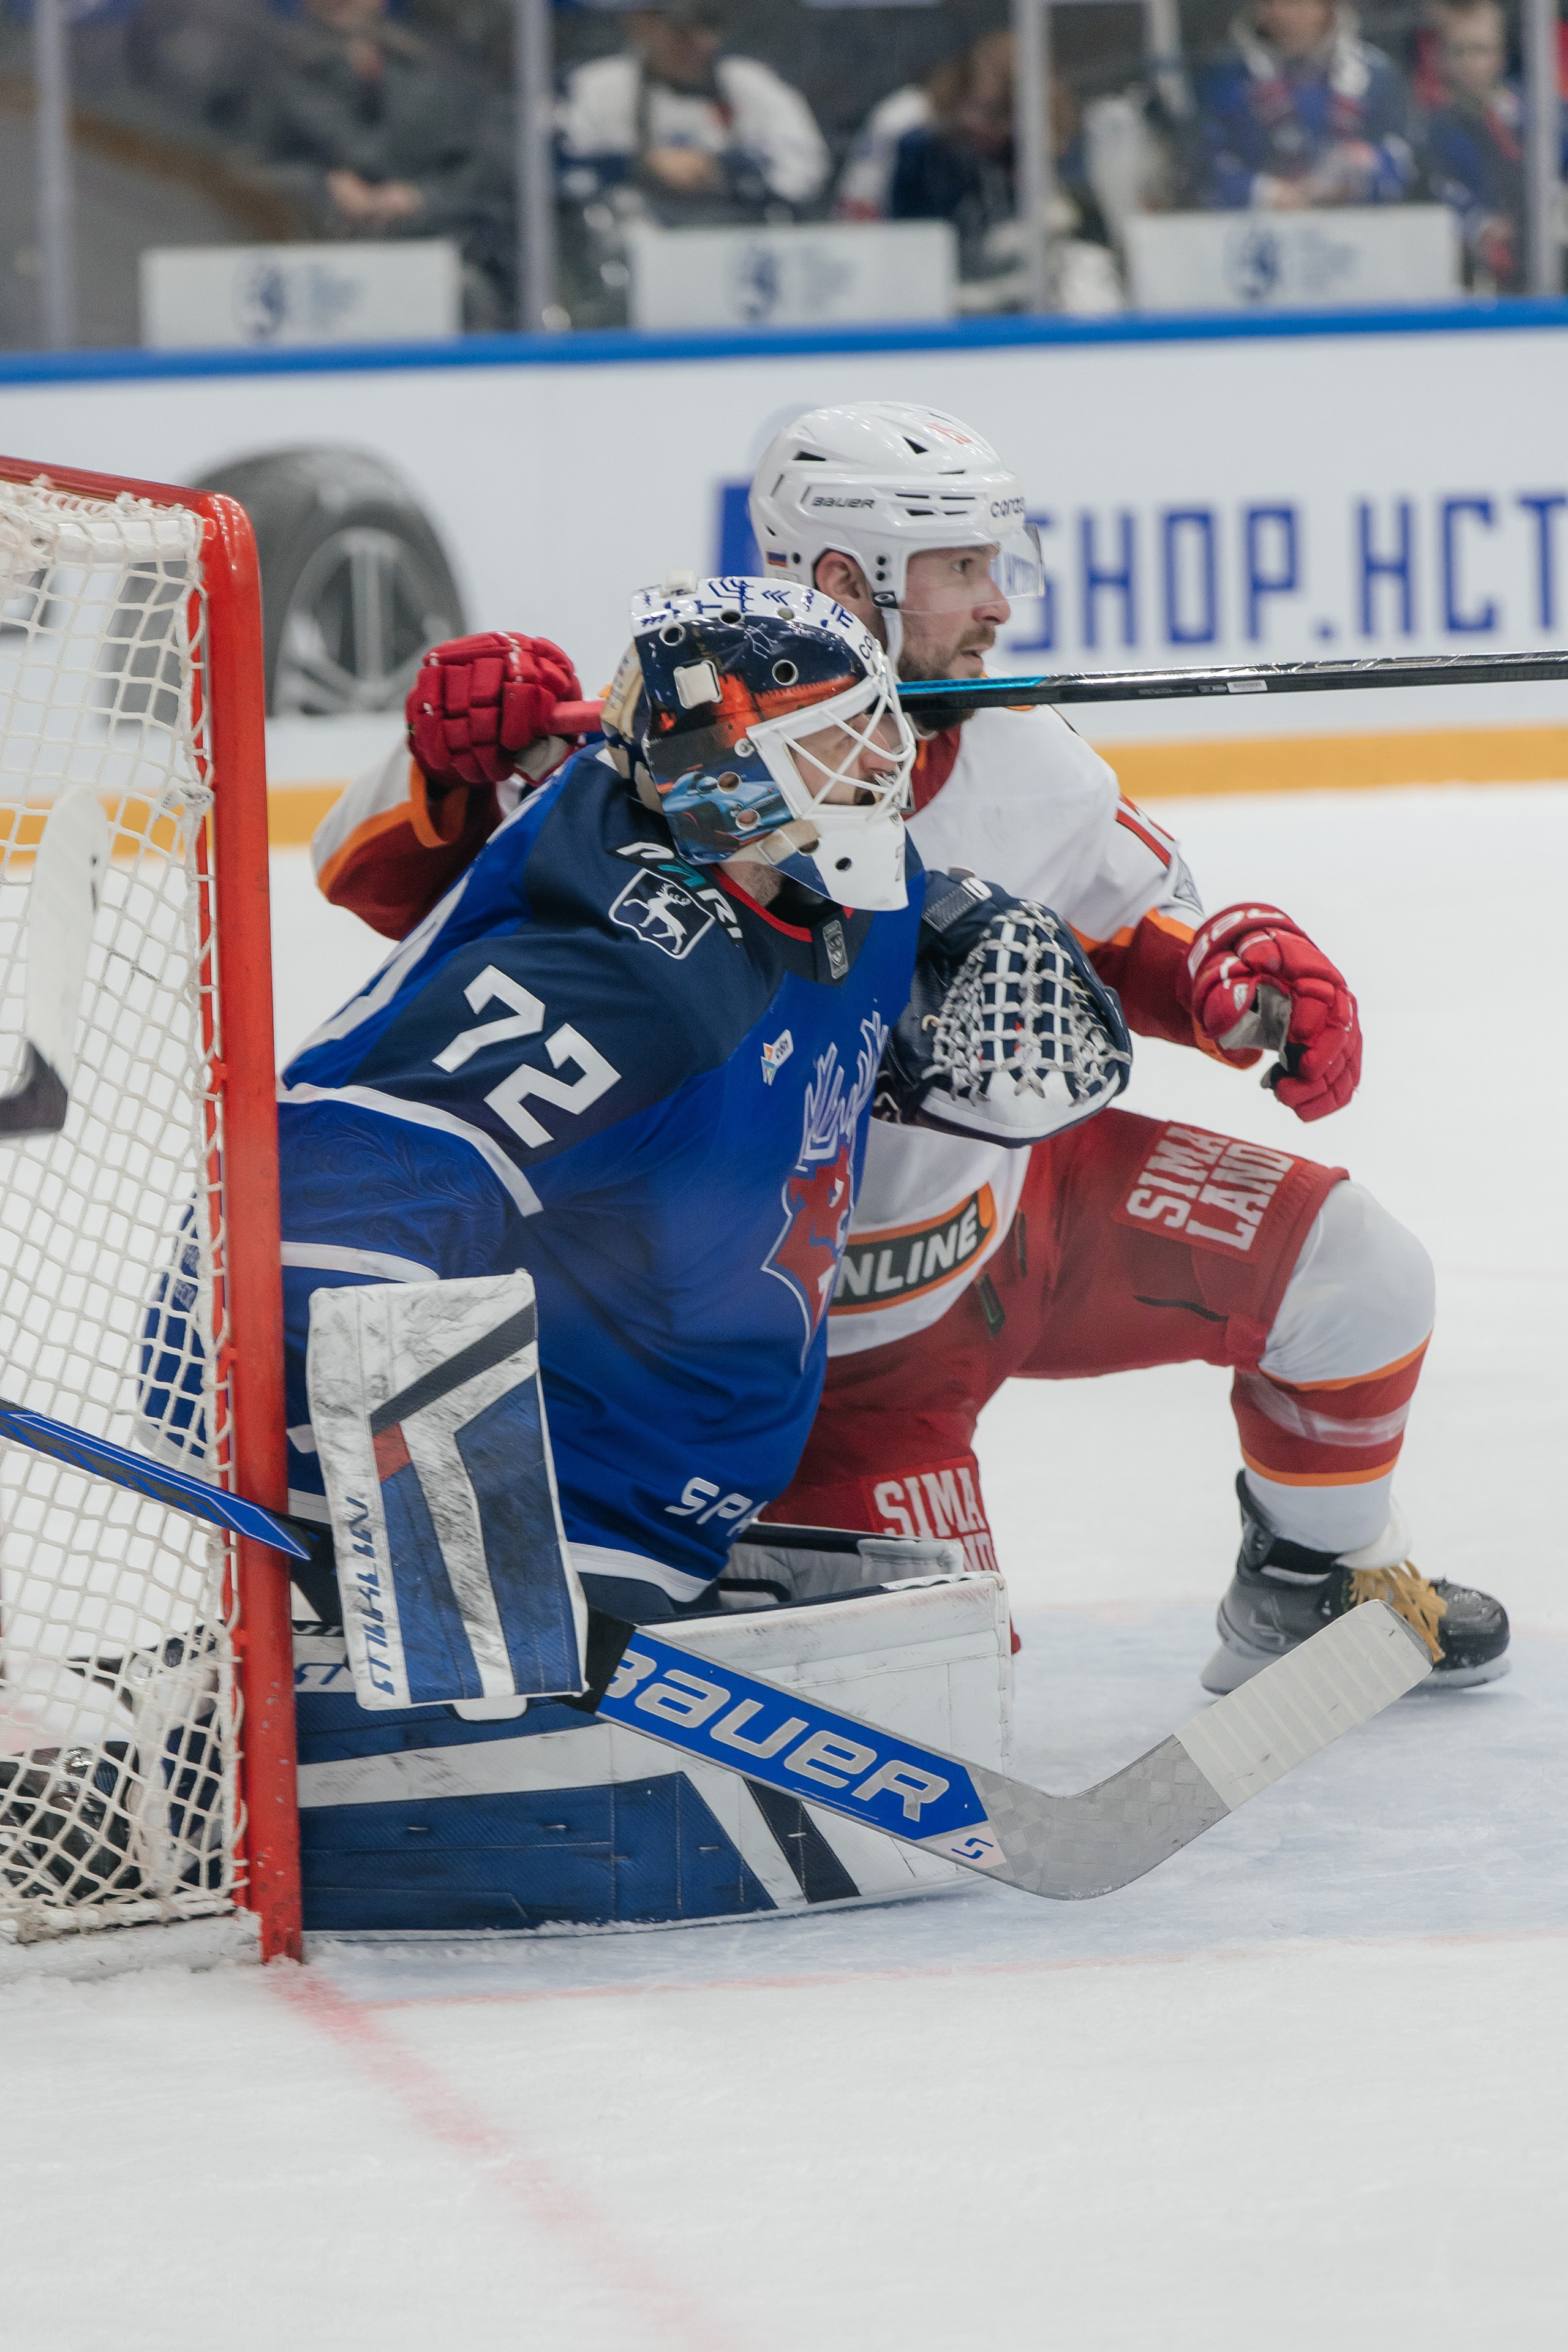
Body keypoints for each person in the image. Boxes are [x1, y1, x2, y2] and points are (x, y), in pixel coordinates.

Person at [314, 405, 1510, 1693]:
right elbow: (400, 895)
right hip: (814, 1345)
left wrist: (1233, 984)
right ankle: (647, 1582)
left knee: (1357, 1273)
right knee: (932, 1704)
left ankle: (1315, 1582)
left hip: (1018, 1223)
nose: (997, 605)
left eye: (997, 562)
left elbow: (1122, 943)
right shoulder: (669, 760)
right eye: (959, 570)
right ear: (843, 582)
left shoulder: (1028, 762)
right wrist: (448, 764)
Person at [277, 578, 1128, 1624]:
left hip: (667, 1520)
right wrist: (469, 1576)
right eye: (838, 738)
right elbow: (316, 1225)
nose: (883, 766)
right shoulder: (619, 989)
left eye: (879, 726)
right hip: (552, 1528)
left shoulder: (853, 881)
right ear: (733, 771)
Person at [249, 0, 513, 322]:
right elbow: (232, 170)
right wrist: (323, 189)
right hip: (311, 273)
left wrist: (421, 197)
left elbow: (492, 163)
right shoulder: (263, 68)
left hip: (444, 262)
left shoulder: (440, 60)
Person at [835, 28, 1122, 314]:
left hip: (1029, 300)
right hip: (943, 299)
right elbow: (906, 241)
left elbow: (1084, 230)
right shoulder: (918, 144)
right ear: (963, 95)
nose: (993, 130)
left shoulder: (1043, 143)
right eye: (987, 112)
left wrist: (1043, 159)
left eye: (1006, 117)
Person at [556, 1, 830, 224]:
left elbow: (806, 168)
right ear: (640, 23)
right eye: (678, 29)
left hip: (730, 246)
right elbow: (560, 169)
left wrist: (725, 169)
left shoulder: (750, 83)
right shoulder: (598, 85)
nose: (694, 42)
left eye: (705, 27)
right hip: (627, 250)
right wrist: (638, 166)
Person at [1197, 0, 1416, 210]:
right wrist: (1268, 193)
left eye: (1295, 2)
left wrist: (1364, 170)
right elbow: (1205, 169)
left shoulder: (1375, 73)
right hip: (1258, 234)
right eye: (1267, 2)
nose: (1280, 13)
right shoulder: (1229, 77)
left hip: (1362, 230)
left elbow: (1406, 159)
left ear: (1327, 7)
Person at [1420, 0, 1530, 292]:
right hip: (1469, 269)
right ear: (1442, 59)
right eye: (1460, 51)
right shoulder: (1431, 129)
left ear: (1501, 57)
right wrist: (1481, 224)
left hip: (1540, 260)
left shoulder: (1542, 117)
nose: (1470, 62)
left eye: (1481, 50)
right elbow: (1437, 195)